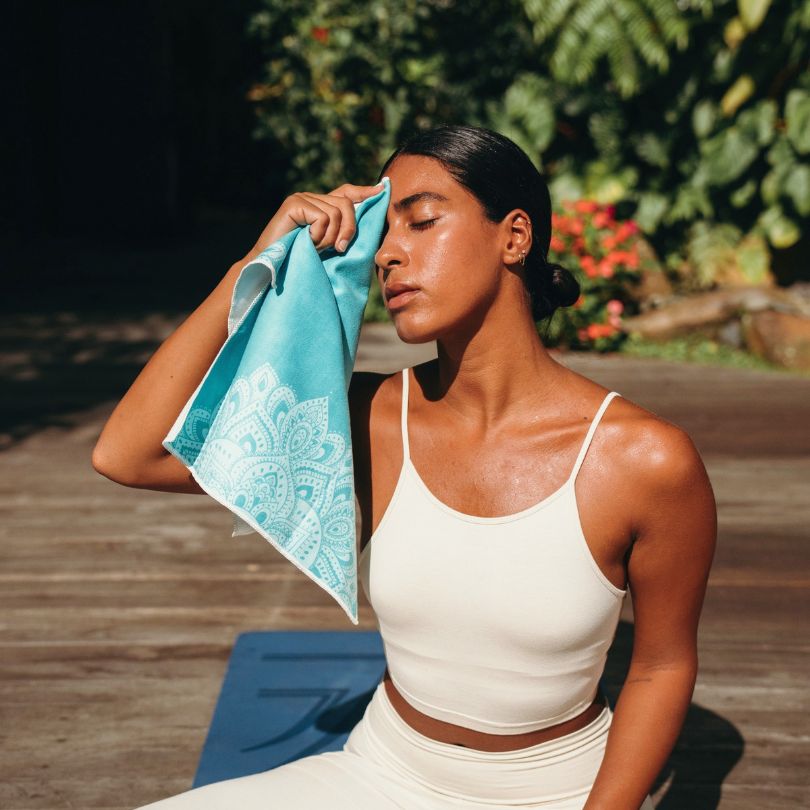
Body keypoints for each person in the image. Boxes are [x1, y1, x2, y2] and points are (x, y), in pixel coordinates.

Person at [93, 124, 717, 809]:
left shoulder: (643, 460)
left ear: (514, 237)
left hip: (558, 792)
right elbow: (129, 453)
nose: (387, 254)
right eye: (382, 233)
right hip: (379, 776)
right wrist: (260, 258)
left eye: (421, 222)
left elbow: (660, 666)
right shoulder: (372, 421)